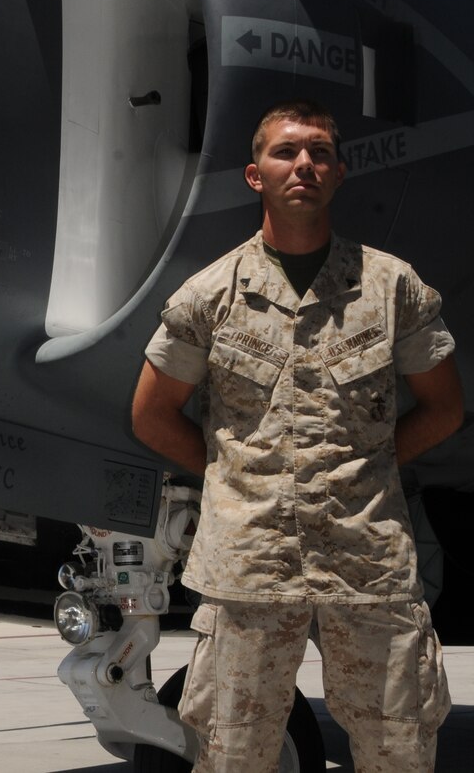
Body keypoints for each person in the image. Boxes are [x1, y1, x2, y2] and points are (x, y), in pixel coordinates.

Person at [132, 99, 464, 773]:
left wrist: (369, 467)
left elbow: (444, 407)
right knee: (235, 757)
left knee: (399, 750)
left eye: (318, 153)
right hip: (249, 567)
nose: (303, 165)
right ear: (256, 174)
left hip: (369, 566)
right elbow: (150, 414)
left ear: (339, 173)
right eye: (285, 152)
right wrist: (232, 474)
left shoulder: (390, 288)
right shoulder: (211, 295)